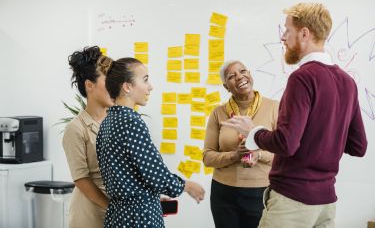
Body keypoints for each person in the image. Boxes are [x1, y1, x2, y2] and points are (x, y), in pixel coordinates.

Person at [222, 3, 368, 228]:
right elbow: (358, 146)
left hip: (292, 203)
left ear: (304, 33)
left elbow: (286, 143)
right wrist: (327, 135)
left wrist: (253, 132)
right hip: (326, 204)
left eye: (287, 30)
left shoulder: (302, 78)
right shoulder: (348, 83)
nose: (283, 37)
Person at [96, 57, 205, 228]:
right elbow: (156, 175)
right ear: (127, 87)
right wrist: (187, 186)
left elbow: (129, 173)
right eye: (145, 80)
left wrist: (149, 194)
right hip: (139, 217)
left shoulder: (108, 121)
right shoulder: (130, 121)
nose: (150, 87)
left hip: (118, 215)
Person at [203, 60, 279, 228]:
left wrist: (258, 155)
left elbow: (285, 153)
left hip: (262, 191)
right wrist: (236, 155)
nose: (240, 77)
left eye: (243, 71)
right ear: (226, 86)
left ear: (250, 74)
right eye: (232, 76)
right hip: (223, 194)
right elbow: (207, 157)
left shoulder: (275, 107)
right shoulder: (218, 113)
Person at [62, 46, 114, 228]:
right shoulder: (75, 129)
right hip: (89, 215)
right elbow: (81, 179)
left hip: (119, 213)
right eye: (108, 80)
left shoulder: (119, 122)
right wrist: (113, 208)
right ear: (90, 85)